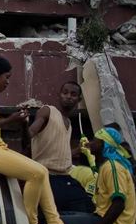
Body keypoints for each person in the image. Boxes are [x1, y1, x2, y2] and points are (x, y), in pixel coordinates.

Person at [0, 55, 74, 224]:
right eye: (6, 77)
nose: (7, 82)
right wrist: (11, 119)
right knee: (36, 173)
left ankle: (56, 223)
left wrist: (18, 121)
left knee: (42, 171)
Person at [60, 132, 136, 224]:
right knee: (54, 215)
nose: (90, 143)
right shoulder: (105, 166)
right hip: (100, 217)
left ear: (103, 144)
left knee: (56, 221)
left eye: (94, 141)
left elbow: (118, 204)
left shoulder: (113, 167)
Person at [28, 81, 92, 214]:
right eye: (65, 93)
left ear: (79, 99)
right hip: (47, 176)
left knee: (87, 208)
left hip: (64, 177)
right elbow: (31, 132)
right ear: (59, 95)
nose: (68, 96)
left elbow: (59, 153)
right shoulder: (48, 111)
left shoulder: (69, 122)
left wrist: (78, 150)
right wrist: (24, 126)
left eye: (73, 94)